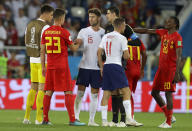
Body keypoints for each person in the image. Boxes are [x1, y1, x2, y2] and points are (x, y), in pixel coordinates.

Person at [134, 16, 182, 128]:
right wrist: (131, 29)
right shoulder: (163, 32)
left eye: (169, 21)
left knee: (168, 93)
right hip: (161, 69)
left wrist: (177, 72)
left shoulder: (178, 37)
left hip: (170, 69)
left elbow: (179, 55)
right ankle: (169, 116)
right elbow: (146, 31)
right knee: (154, 92)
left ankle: (169, 122)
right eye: (167, 21)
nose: (167, 22)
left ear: (174, 24)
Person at [40, 8, 85, 126]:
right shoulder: (64, 32)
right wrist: (78, 42)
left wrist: (43, 66)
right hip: (62, 66)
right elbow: (74, 48)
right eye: (64, 18)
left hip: (50, 65)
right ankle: (72, 119)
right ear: (61, 18)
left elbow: (42, 51)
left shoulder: (46, 32)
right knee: (68, 90)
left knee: (48, 91)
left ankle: (45, 119)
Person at [104, 6, 142, 127]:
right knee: (115, 92)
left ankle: (125, 119)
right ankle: (115, 120)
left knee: (123, 91)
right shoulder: (107, 28)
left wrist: (122, 41)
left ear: (115, 14)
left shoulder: (126, 27)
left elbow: (137, 42)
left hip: (122, 65)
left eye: (108, 13)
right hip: (110, 63)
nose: (106, 15)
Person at [98, 17, 137, 127]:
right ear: (120, 25)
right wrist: (128, 55)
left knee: (106, 93)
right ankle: (129, 119)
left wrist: (101, 67)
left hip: (107, 66)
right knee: (126, 91)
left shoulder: (106, 36)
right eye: (124, 25)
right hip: (116, 66)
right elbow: (126, 56)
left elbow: (99, 51)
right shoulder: (122, 38)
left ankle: (104, 121)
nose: (125, 27)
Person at [23, 4, 54, 124]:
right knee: (42, 89)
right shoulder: (45, 27)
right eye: (51, 15)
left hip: (32, 59)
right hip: (42, 61)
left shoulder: (29, 24)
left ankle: (26, 118)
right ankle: (39, 119)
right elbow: (44, 47)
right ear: (45, 13)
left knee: (33, 88)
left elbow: (26, 40)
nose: (51, 18)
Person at [74, 8, 105, 126]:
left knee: (95, 94)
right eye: (89, 17)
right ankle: (76, 118)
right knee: (80, 94)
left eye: (93, 17)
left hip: (97, 68)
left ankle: (91, 120)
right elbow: (79, 42)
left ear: (99, 18)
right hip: (85, 66)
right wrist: (76, 43)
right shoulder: (83, 31)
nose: (90, 19)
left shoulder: (104, 32)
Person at [125, 40, 147, 125]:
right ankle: (130, 117)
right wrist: (142, 69)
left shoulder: (122, 39)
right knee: (128, 94)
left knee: (126, 95)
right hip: (137, 71)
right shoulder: (139, 41)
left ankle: (129, 118)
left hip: (127, 70)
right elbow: (145, 54)